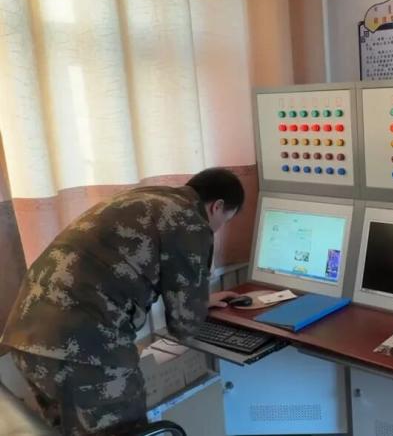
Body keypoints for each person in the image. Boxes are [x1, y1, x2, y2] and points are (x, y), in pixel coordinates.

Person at [0, 168, 245, 435]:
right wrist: (196, 308)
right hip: (84, 349)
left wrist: (199, 300)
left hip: (26, 336)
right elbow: (184, 326)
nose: (218, 228)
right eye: (226, 220)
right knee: (125, 430)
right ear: (217, 206)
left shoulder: (145, 198)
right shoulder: (191, 221)